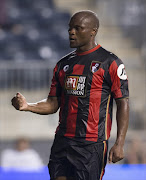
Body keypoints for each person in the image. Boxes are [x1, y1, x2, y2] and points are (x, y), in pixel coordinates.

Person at [11, 10, 129, 180]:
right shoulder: (63, 65)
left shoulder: (110, 62)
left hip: (91, 144)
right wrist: (27, 106)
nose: (71, 32)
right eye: (70, 28)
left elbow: (123, 103)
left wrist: (120, 143)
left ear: (92, 31)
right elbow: (53, 103)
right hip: (63, 140)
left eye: (77, 28)